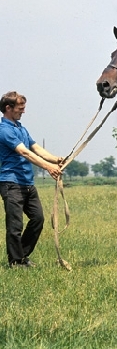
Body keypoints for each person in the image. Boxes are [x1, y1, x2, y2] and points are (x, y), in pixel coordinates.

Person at [0, 91, 63, 268]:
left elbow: (36, 149)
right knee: (15, 225)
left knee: (38, 219)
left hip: (27, 183)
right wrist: (48, 168)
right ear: (8, 108)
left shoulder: (21, 128)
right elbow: (25, 152)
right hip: (11, 183)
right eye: (20, 108)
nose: (23, 111)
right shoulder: (4, 130)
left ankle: (21, 256)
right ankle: (16, 261)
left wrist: (56, 159)